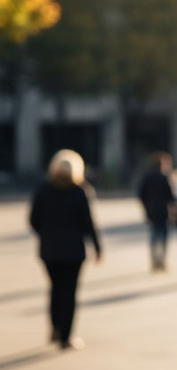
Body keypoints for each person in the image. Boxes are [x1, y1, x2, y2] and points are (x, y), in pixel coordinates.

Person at [29, 149, 101, 350]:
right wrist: (97, 247)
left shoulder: (43, 189)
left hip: (49, 250)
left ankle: (55, 327)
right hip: (73, 251)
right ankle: (65, 337)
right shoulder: (80, 191)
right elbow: (89, 223)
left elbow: (33, 220)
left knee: (55, 289)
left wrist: (47, 234)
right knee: (69, 293)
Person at [137, 152, 177, 271]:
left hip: (152, 211)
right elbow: (171, 197)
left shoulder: (148, 177)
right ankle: (163, 261)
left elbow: (141, 195)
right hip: (164, 212)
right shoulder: (165, 178)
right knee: (163, 237)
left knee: (154, 236)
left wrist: (146, 207)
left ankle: (155, 261)